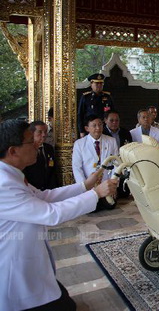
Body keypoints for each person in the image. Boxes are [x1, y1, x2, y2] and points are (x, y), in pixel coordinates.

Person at [0, 119, 117, 311]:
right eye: (31, 141)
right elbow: (51, 214)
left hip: (28, 262)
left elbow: (44, 196)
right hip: (13, 269)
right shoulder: (4, 183)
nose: (38, 144)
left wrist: (85, 186)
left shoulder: (10, 174)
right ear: (13, 151)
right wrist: (96, 193)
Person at [73, 114, 119, 210]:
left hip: (106, 184)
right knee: (91, 209)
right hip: (89, 186)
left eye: (100, 125)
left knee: (110, 206)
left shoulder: (111, 141)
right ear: (87, 128)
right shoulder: (79, 144)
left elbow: (116, 164)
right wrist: (84, 187)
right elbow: (77, 167)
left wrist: (113, 184)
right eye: (94, 125)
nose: (98, 128)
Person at [23, 121, 58, 190]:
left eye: (45, 131)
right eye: (40, 132)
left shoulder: (49, 148)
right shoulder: (26, 149)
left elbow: (52, 170)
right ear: (31, 133)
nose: (44, 135)